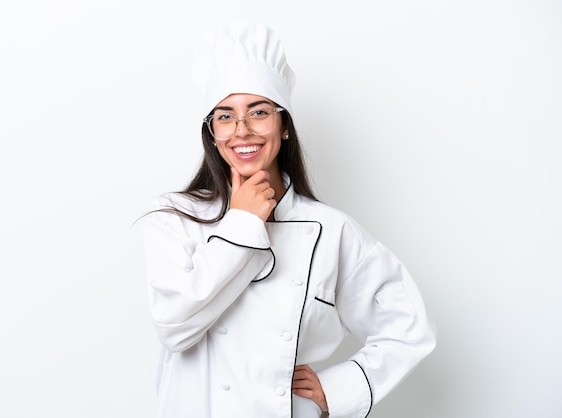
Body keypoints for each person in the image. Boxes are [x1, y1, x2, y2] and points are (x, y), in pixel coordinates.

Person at [141, 22, 436, 418]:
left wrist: (340, 387)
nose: (241, 130)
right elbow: (175, 327)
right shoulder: (174, 218)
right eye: (225, 117)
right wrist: (243, 222)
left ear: (284, 127)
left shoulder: (332, 232)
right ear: (212, 133)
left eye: (259, 112)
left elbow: (409, 326)